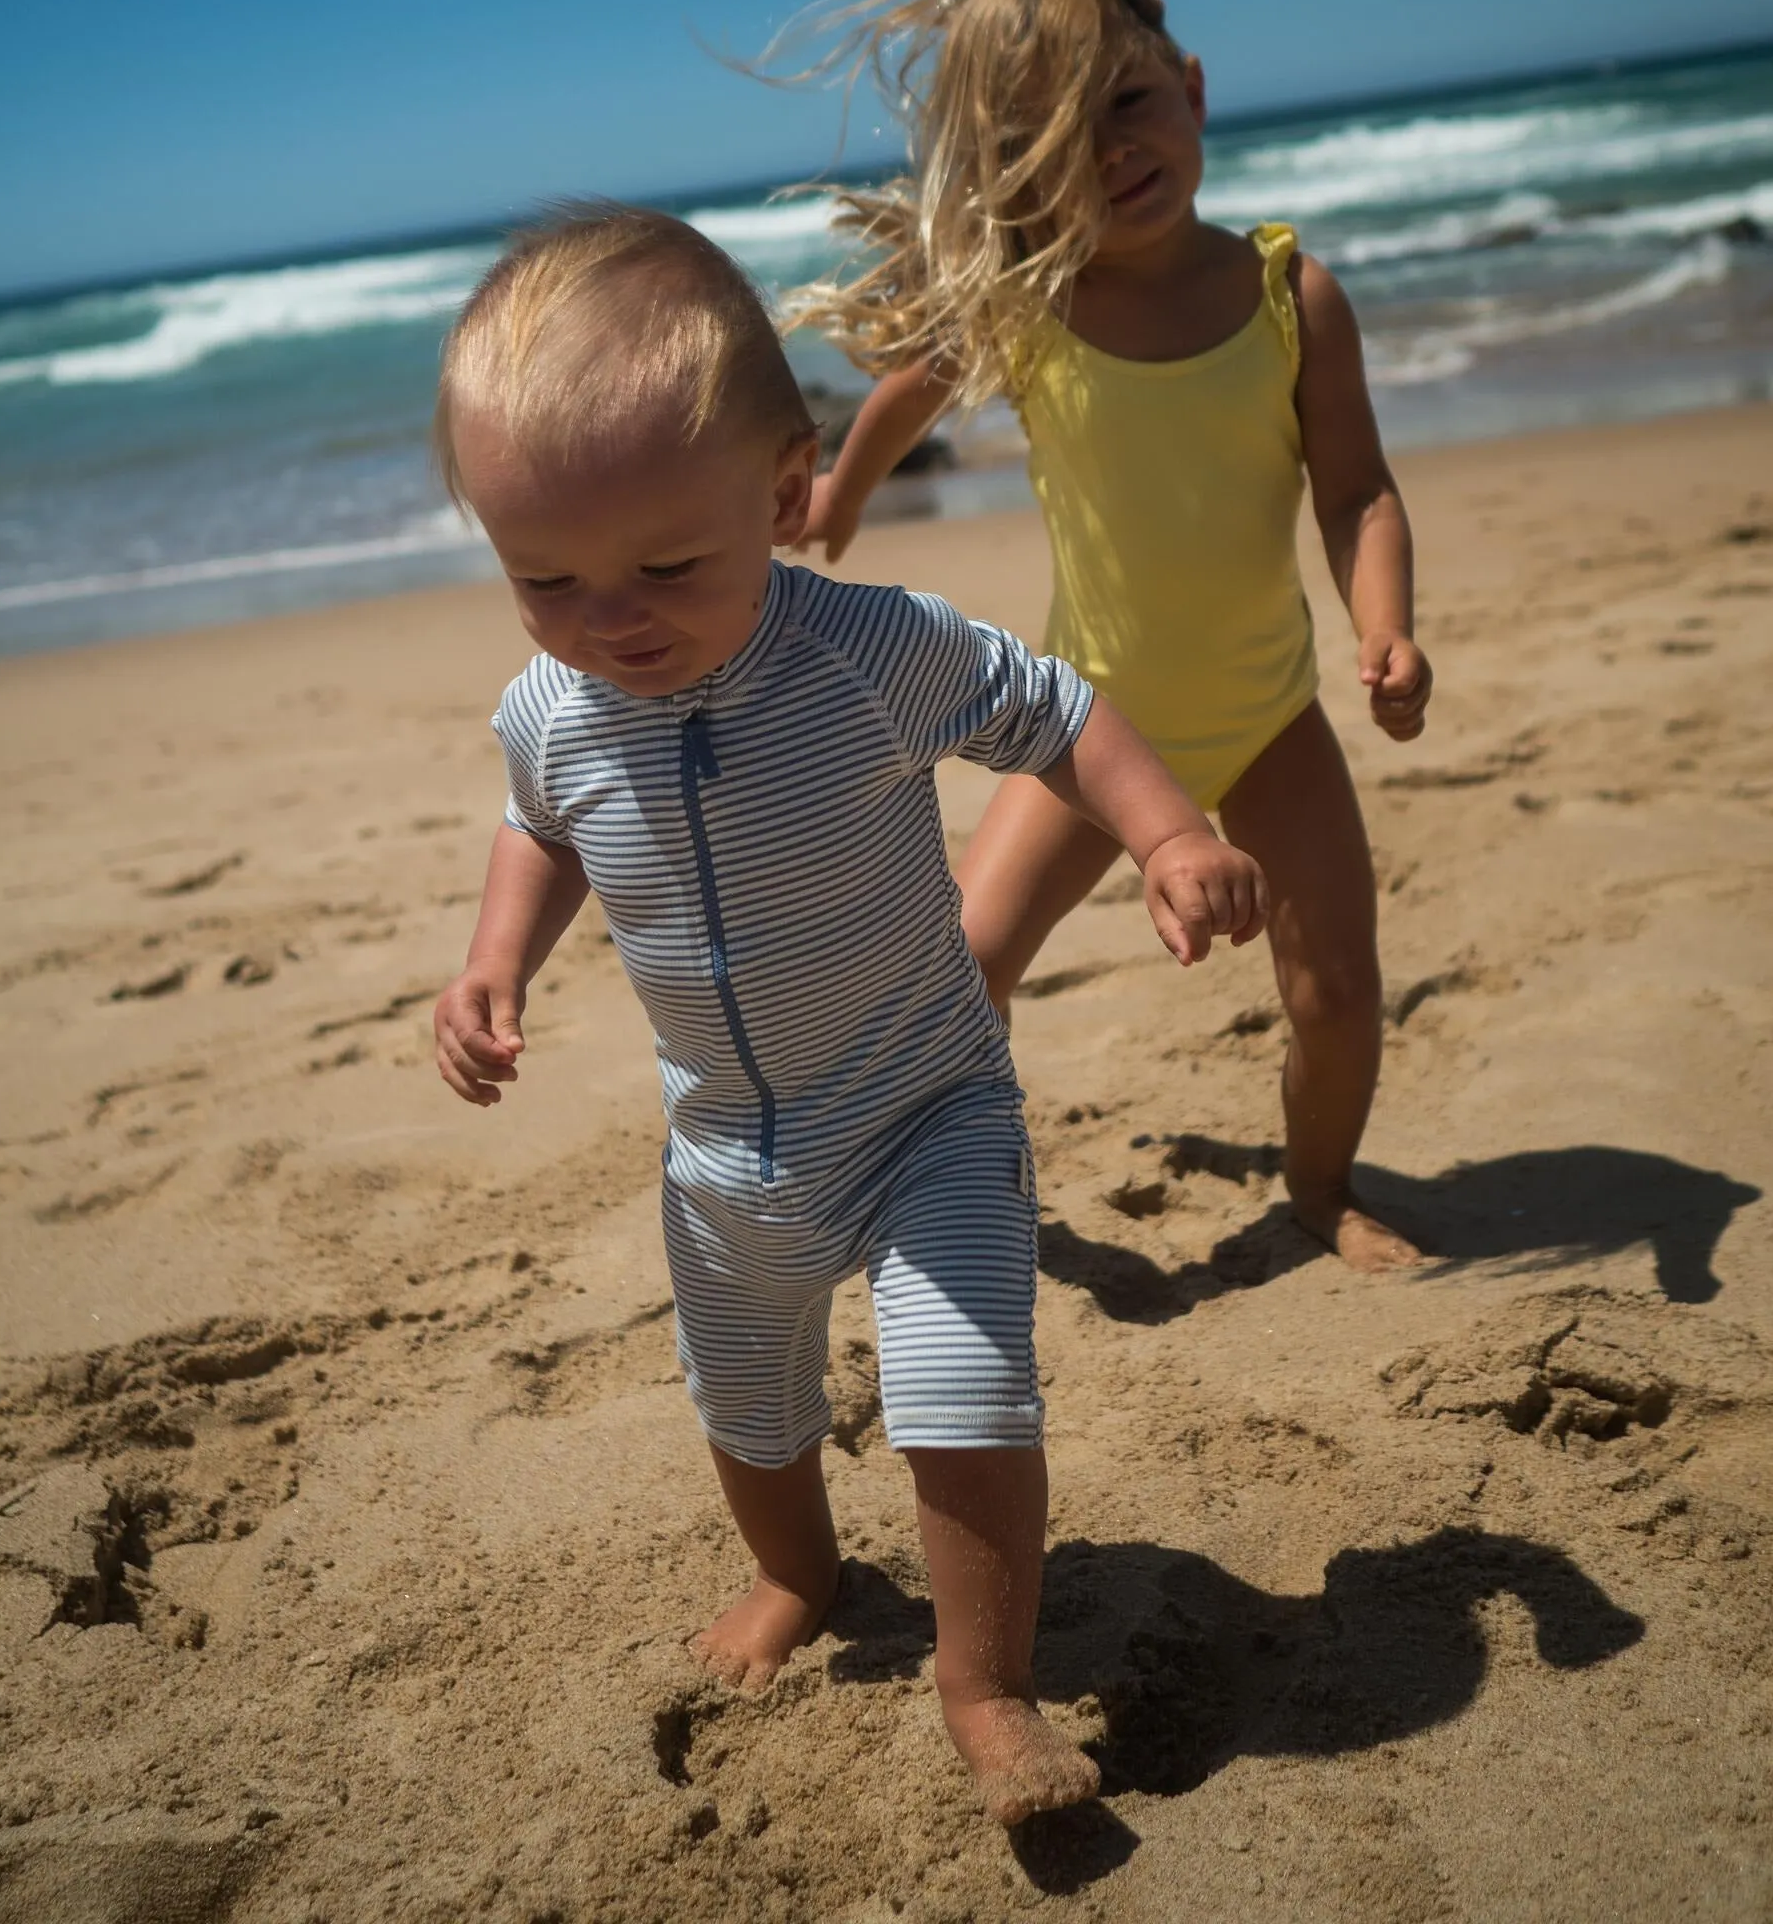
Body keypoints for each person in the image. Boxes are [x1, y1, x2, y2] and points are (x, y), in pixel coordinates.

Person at [430, 203, 1267, 1824]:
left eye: (669, 565)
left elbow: (1058, 711)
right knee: (749, 1406)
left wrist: (1167, 832)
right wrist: (496, 962)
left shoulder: (865, 653)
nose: (614, 618)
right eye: (546, 578)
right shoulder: (555, 707)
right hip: (724, 1149)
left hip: (922, 1105)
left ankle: (988, 1684)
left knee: (962, 1398)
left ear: (785, 487)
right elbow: (541, 824)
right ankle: (802, 1578)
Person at [772, 0, 1434, 1272]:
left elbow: (1356, 490)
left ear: (1188, 90)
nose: (1109, 152)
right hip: (1086, 728)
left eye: (1125, 106)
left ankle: (1318, 1191)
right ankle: (972, 1193)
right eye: (1056, 140)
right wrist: (840, 495)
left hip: (1267, 714)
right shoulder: (1030, 307)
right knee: (964, 970)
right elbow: (913, 385)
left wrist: (1386, 627)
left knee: (1338, 991)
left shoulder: (1290, 298)